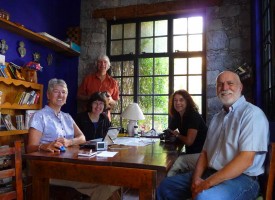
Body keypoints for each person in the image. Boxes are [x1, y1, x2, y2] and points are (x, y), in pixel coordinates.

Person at [157, 71, 269, 200]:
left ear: (240, 87)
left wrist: (206, 184)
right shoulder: (217, 118)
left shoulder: (252, 114)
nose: (225, 88)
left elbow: (246, 160)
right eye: (220, 85)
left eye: (230, 83)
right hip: (212, 172)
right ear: (216, 89)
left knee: (204, 197)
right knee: (165, 186)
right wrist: (196, 180)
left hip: (243, 179)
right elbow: (204, 154)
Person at [27, 78, 119, 200]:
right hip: (50, 170)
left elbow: (82, 138)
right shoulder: (39, 116)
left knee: (112, 180)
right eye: (56, 91)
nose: (61, 95)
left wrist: (69, 141)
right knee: (106, 185)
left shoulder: (67, 117)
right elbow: (29, 148)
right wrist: (44, 146)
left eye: (64, 92)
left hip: (71, 167)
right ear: (48, 95)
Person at [166, 89, 207, 177]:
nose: (178, 103)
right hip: (191, 153)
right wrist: (169, 134)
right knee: (171, 158)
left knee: (177, 161)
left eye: (181, 100)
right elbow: (169, 130)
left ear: (187, 101)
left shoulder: (193, 115)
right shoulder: (178, 115)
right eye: (175, 100)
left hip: (201, 155)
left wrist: (177, 135)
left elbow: (189, 141)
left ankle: (163, 185)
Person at [77, 55, 119, 120]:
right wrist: (89, 97)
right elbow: (78, 96)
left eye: (105, 62)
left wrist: (110, 100)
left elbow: (115, 102)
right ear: (96, 64)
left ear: (108, 66)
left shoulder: (113, 82)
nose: (102, 64)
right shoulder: (88, 79)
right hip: (88, 115)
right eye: (100, 62)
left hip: (105, 117)